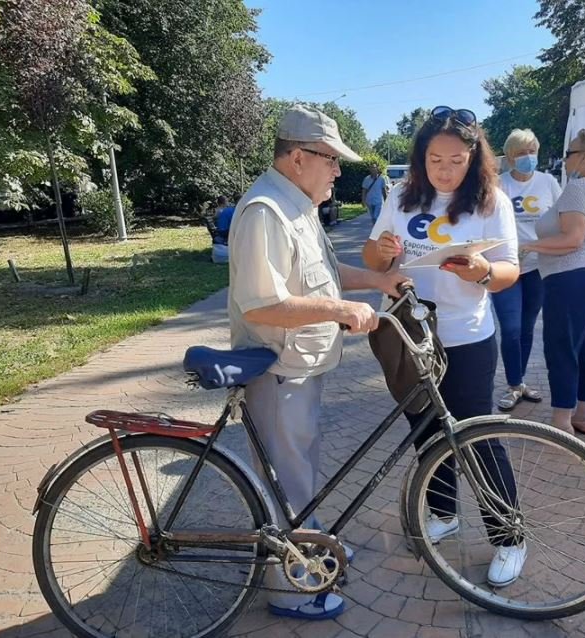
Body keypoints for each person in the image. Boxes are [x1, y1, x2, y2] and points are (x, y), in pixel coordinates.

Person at [228, 104, 409, 620]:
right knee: (287, 481)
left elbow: (326, 274)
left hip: (301, 366)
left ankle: (310, 547)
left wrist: (376, 282)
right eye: (331, 159)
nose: (338, 170)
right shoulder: (267, 211)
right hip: (278, 368)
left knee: (301, 468)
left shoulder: (299, 206)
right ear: (298, 157)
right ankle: (291, 588)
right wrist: (339, 310)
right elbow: (261, 303)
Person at [362, 105, 527, 587]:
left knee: (479, 440)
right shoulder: (401, 195)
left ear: (474, 157)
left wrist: (483, 272)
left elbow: (509, 272)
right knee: (426, 432)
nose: (445, 169)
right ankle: (443, 513)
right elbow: (372, 257)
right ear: (421, 158)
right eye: (436, 159)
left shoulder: (490, 201)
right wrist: (385, 252)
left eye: (456, 160)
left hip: (467, 335)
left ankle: (509, 535)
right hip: (411, 335)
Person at [521, 129, 585, 434]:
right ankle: (584, 415)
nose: (566, 159)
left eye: (570, 152)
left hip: (573, 277)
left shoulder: (577, 190)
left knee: (562, 348)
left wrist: (529, 246)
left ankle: (561, 420)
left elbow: (573, 239)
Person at [492, 129, 562, 411]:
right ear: (510, 157)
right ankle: (512, 384)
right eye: (522, 152)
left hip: (538, 267)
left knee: (526, 327)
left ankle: (519, 383)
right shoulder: (499, 185)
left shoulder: (548, 182)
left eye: (532, 151)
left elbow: (561, 216)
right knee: (510, 329)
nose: (528, 157)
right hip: (506, 267)